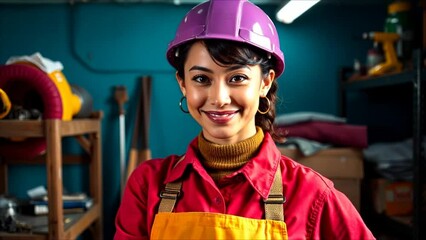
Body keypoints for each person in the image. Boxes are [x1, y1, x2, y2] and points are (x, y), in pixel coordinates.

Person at [114, 0, 375, 239]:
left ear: (265, 82)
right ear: (182, 83)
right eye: (201, 79)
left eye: (237, 78)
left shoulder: (312, 195)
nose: (219, 98)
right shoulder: (147, 185)